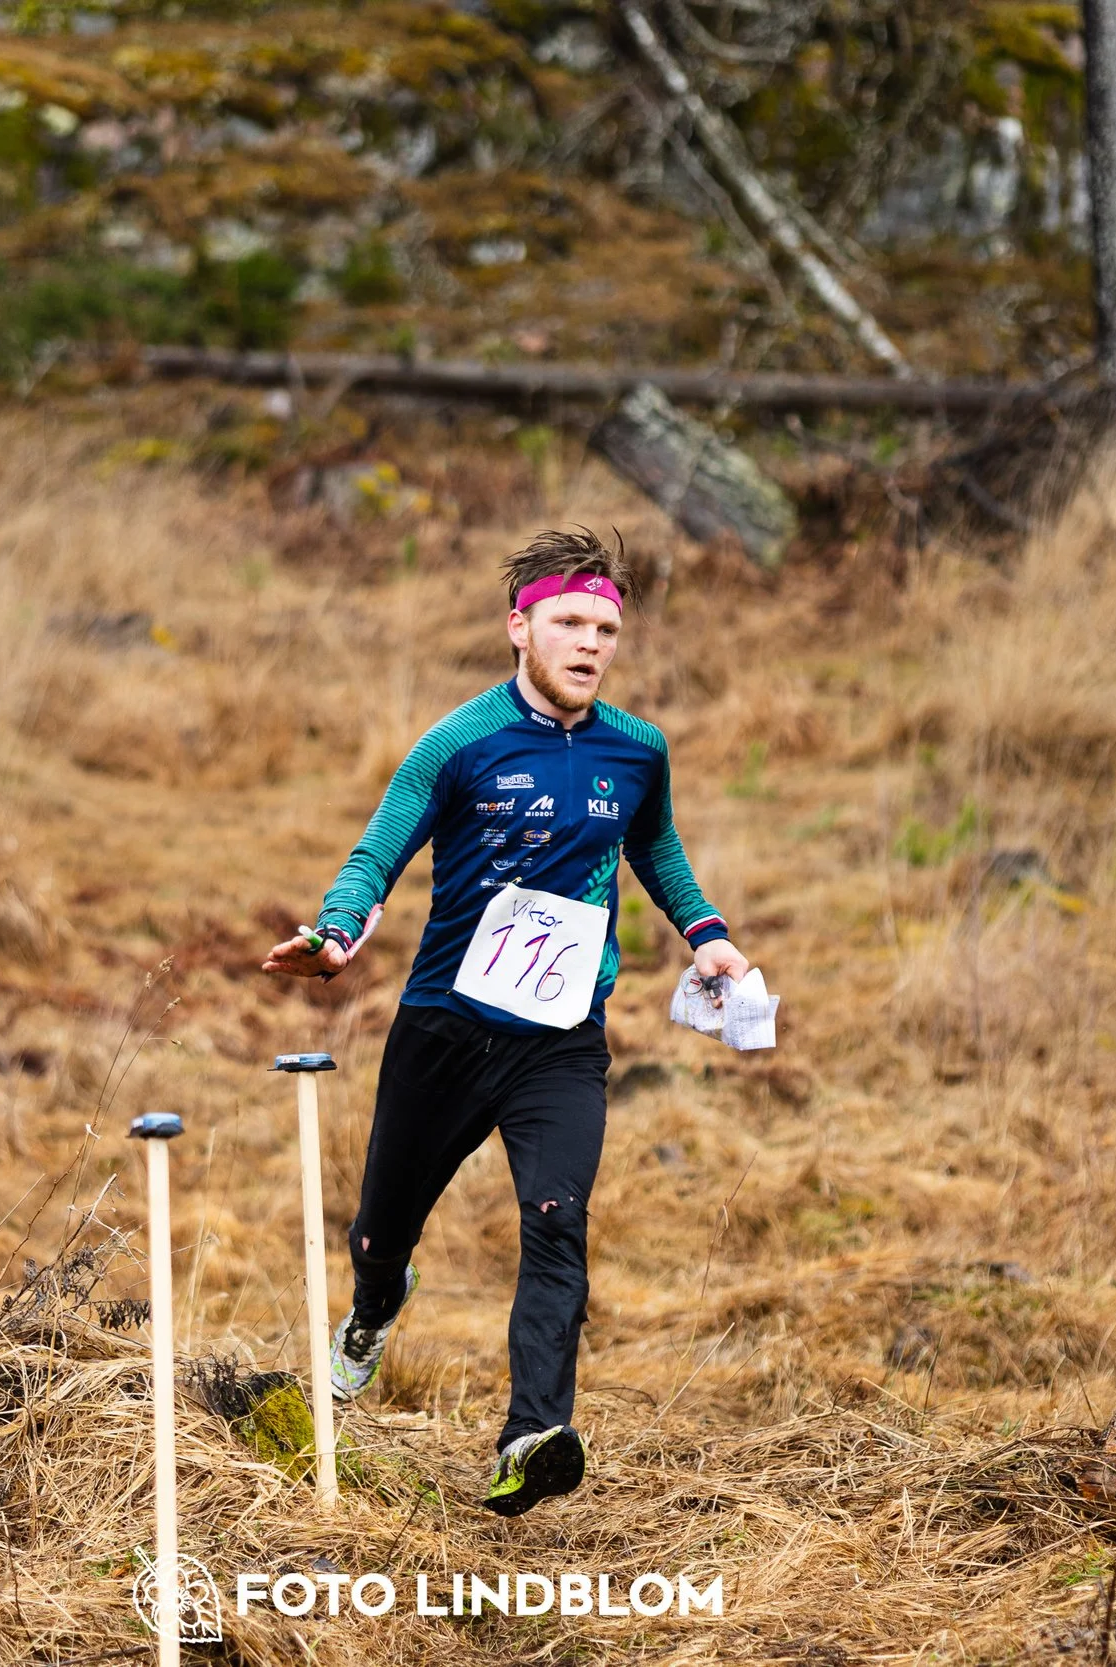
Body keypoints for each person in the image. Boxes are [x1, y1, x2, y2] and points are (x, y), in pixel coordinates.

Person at [261, 527, 752, 1517]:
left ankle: (530, 1432)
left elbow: (652, 845)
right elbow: (375, 854)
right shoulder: (458, 743)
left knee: (556, 1221)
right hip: (445, 1029)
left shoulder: (637, 748)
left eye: (606, 628)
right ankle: (368, 1316)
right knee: (380, 1234)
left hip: (561, 1041)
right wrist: (337, 928)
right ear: (518, 628)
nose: (590, 643)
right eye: (569, 622)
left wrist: (707, 934)